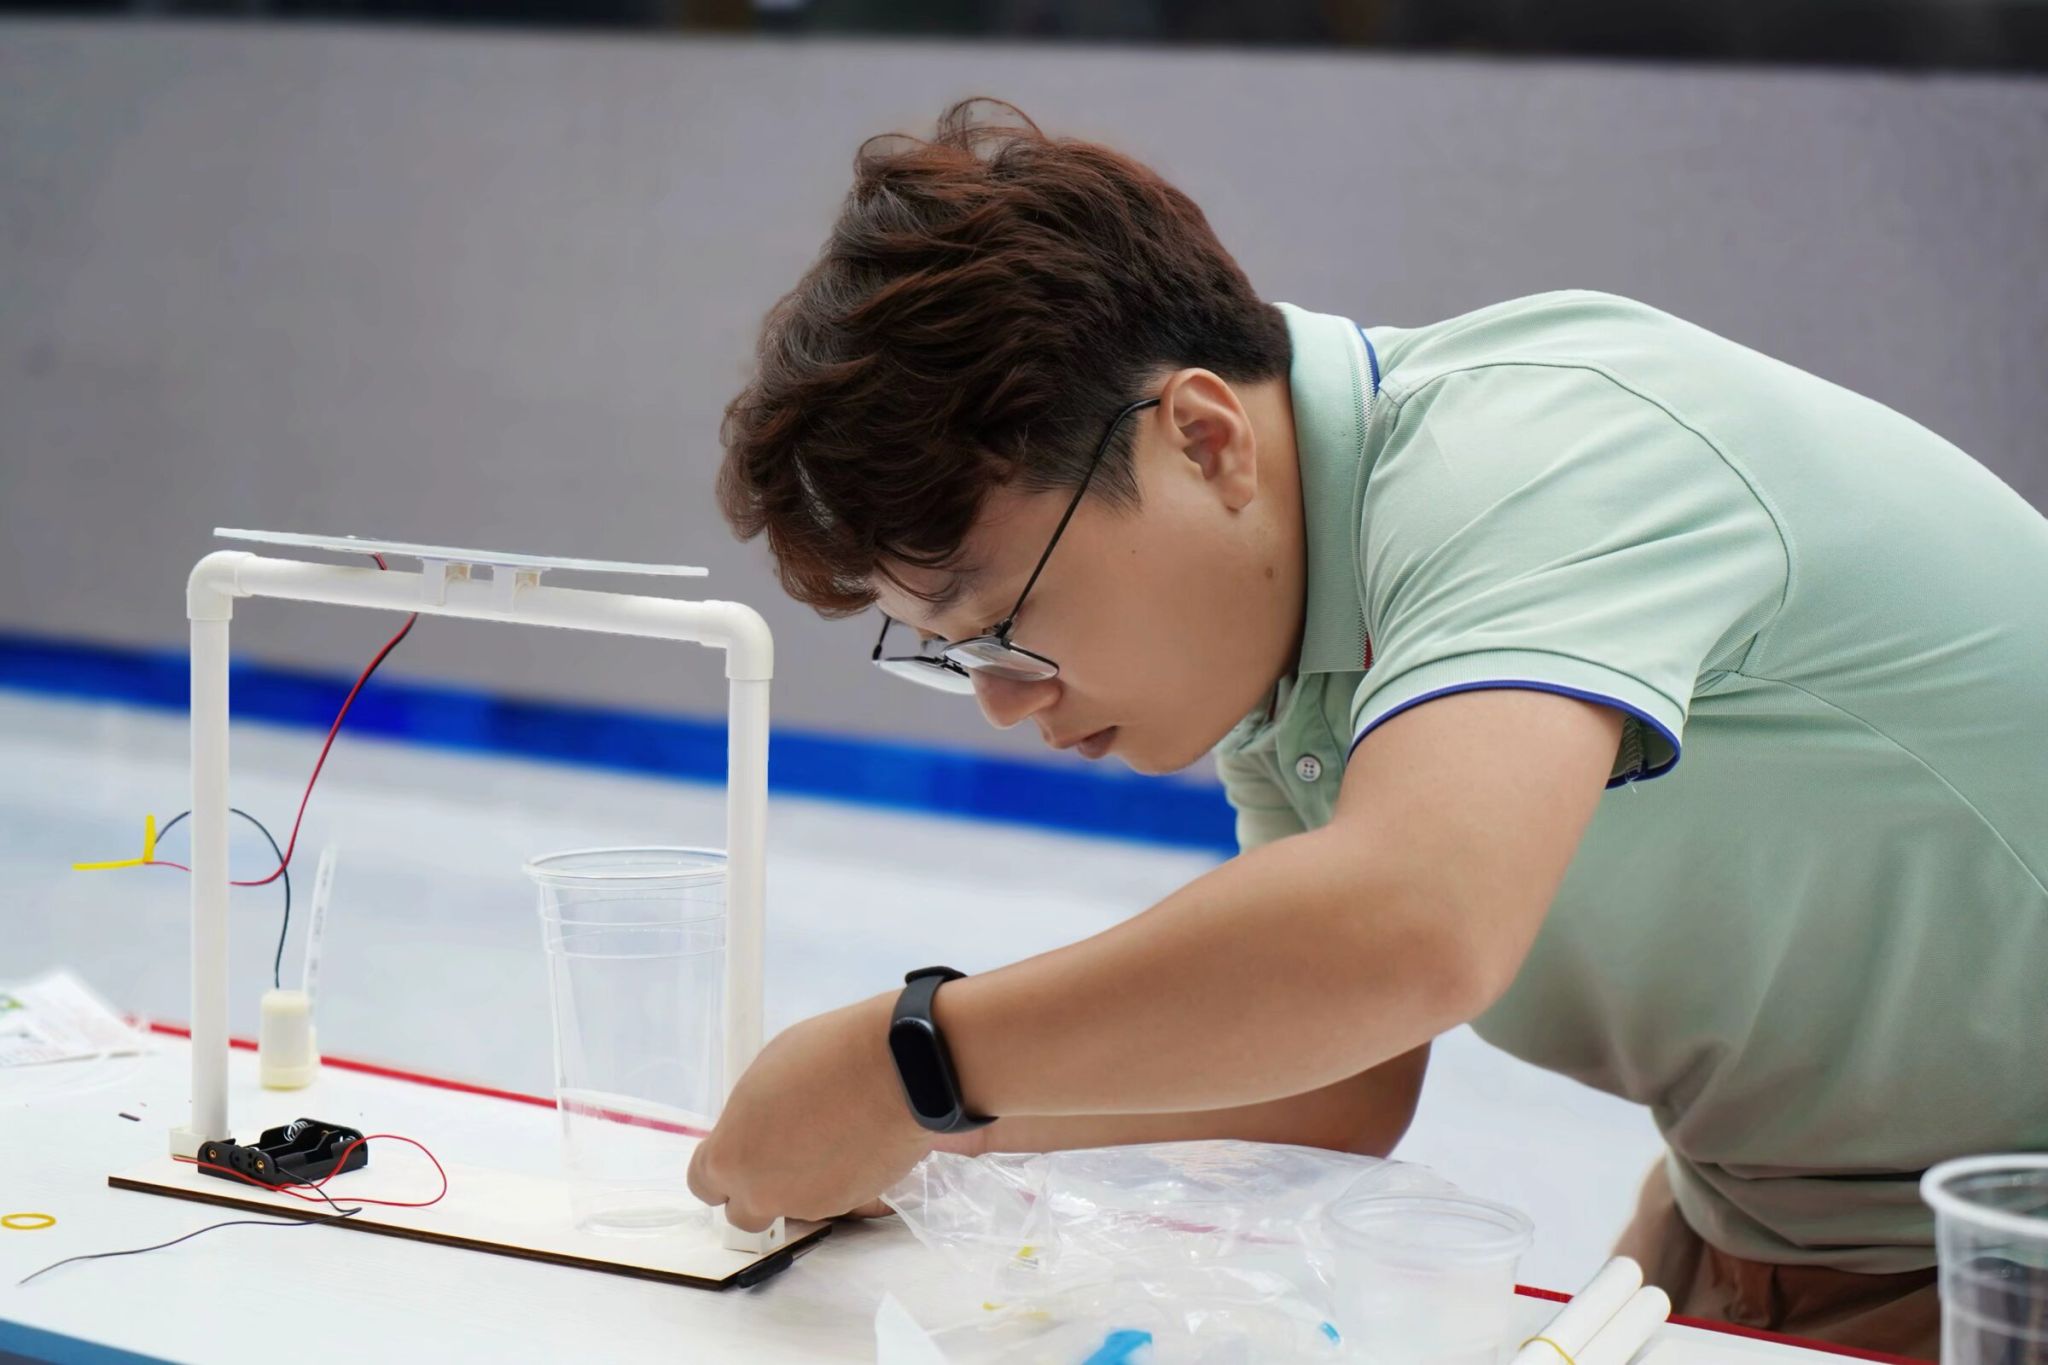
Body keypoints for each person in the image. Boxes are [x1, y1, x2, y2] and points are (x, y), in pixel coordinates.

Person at [687, 98, 2048, 1358]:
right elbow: (1332, 1081)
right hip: (1772, 1218)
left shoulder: (1541, 456)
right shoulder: (1298, 651)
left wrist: (908, 1060)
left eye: (1008, 620)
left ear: (1204, 439)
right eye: (958, 655)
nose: (1003, 696)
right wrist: (933, 1139)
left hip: (1993, 1243)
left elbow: (1413, 923)